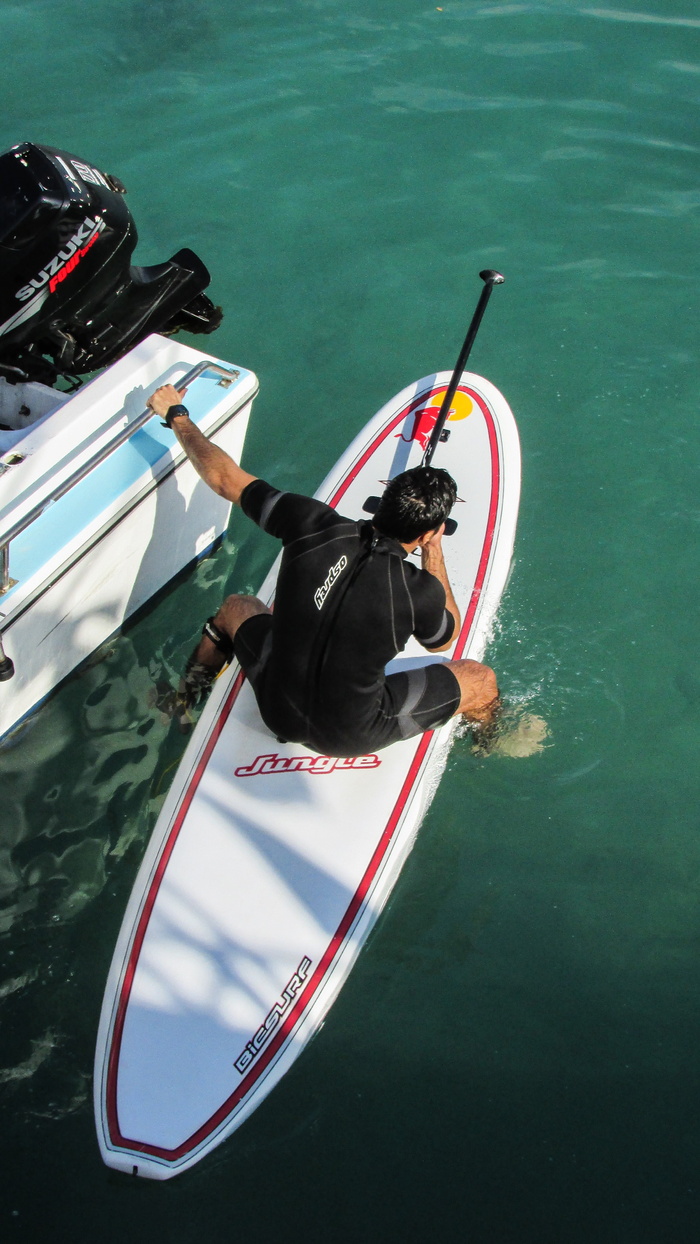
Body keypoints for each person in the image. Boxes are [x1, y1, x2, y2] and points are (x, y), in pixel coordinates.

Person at [146, 383, 500, 756]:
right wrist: (434, 551)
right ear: (428, 530)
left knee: (237, 607)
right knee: (482, 679)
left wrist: (177, 416)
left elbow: (223, 479)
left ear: (381, 503)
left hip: (278, 710)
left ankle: (182, 699)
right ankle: (490, 744)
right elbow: (444, 638)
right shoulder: (419, 591)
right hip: (351, 735)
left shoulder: (310, 523)